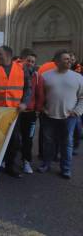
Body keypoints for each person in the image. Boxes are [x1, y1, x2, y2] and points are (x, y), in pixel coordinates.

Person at [38, 50, 83, 179]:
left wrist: (77, 111)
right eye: (66, 59)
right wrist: (42, 108)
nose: (69, 61)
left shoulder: (78, 77)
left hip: (69, 117)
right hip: (48, 116)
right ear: (57, 61)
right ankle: (46, 164)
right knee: (48, 142)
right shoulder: (45, 76)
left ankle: (66, 169)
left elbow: (82, 97)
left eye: (69, 58)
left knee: (67, 143)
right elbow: (40, 95)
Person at [0, 45, 31, 178]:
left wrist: (24, 102)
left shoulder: (21, 68)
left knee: (14, 141)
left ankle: (10, 166)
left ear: (8, 55)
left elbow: (28, 89)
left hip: (14, 111)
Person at [18, 49, 44, 174]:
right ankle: (6, 160)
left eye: (32, 62)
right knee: (13, 138)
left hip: (30, 113)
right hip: (16, 112)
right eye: (28, 60)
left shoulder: (37, 77)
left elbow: (40, 95)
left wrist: (37, 110)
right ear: (23, 61)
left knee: (28, 139)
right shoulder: (16, 73)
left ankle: (26, 161)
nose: (30, 63)